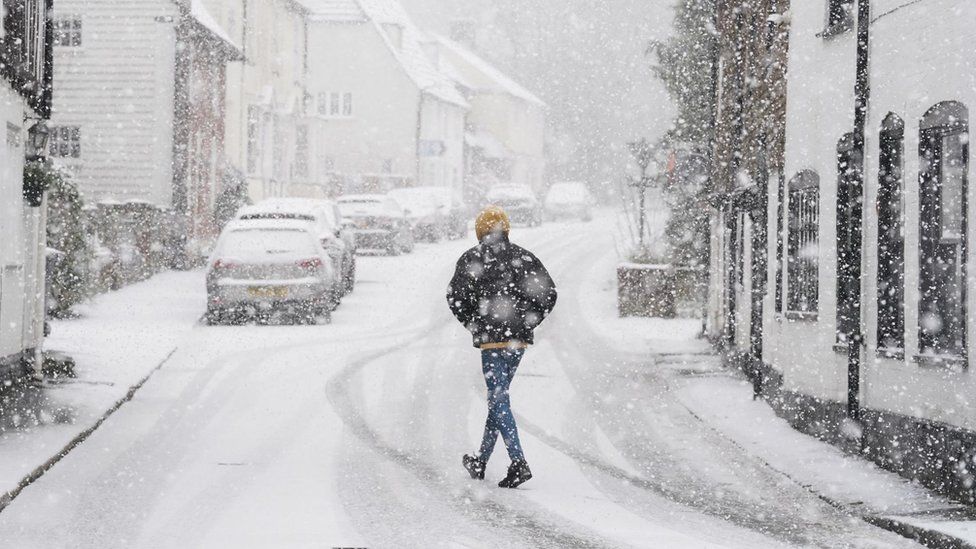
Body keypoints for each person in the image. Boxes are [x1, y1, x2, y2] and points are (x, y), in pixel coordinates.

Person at [446, 206, 558, 488]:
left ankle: (518, 462)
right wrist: (529, 321)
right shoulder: (524, 257)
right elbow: (548, 292)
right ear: (506, 229)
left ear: (479, 230)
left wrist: (474, 323)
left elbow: (455, 297)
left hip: (492, 341)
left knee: (498, 401)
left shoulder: (473, 258)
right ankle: (480, 461)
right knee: (499, 400)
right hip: (517, 340)